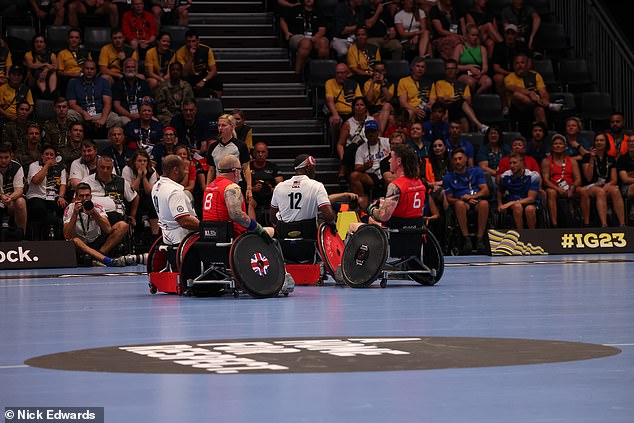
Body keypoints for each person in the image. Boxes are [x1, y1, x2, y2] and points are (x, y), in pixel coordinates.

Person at [202, 155, 273, 240]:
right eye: (240, 170)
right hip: (230, 233)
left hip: (209, 232)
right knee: (271, 231)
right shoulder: (231, 187)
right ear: (235, 171)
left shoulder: (209, 187)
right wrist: (257, 227)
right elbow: (236, 214)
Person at [361, 143, 427, 231]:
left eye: (391, 157)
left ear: (399, 161)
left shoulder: (395, 186)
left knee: (356, 225)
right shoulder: (419, 182)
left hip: (397, 234)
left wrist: (372, 209)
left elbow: (383, 216)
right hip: (417, 233)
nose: (389, 161)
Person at [63, 182, 129, 266]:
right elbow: (66, 235)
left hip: (97, 241)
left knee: (123, 225)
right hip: (80, 244)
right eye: (81, 196)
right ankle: (105, 260)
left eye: (87, 195)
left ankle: (97, 257)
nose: (84, 198)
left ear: (91, 197)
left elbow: (108, 229)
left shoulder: (97, 207)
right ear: (76, 197)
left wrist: (94, 213)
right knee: (75, 240)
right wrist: (75, 214)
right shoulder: (70, 208)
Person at [270, 154, 336, 233]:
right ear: (307, 168)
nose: (315, 170)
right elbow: (329, 216)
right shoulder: (316, 186)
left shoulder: (279, 187)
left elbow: (272, 218)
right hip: (308, 235)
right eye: (313, 167)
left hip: (284, 236)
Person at [443, 147, 490, 253]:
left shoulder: (476, 171)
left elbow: (485, 190)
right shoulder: (448, 177)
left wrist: (472, 197)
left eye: (460, 158)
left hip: (476, 199)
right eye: (455, 159)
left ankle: (480, 238)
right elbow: (449, 198)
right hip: (461, 202)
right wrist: (463, 199)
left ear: (466, 159)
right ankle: (466, 239)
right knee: (459, 204)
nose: (457, 161)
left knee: (484, 204)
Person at [151, 154, 199, 246]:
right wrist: (204, 226)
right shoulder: (174, 191)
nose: (185, 172)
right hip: (183, 240)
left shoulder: (156, 186)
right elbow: (184, 221)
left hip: (167, 236)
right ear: (176, 170)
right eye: (184, 168)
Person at [430, 58, 489, 134]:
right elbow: (441, 99)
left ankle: (466, 139)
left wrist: (451, 99)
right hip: (446, 109)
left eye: (452, 68)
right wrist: (458, 99)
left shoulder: (463, 85)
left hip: (459, 110)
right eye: (448, 68)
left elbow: (468, 101)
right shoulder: (439, 83)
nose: (450, 71)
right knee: (461, 104)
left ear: (457, 70)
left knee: (463, 115)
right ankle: (479, 126)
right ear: (445, 71)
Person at [504, 52, 561, 129]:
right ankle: (549, 106)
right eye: (517, 63)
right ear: (513, 66)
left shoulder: (535, 75)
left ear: (527, 65)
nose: (519, 66)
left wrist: (545, 99)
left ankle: (543, 134)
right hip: (518, 108)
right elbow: (513, 88)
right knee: (516, 95)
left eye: (522, 63)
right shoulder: (509, 77)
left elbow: (543, 92)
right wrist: (530, 93)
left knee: (539, 109)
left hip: (533, 105)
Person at [580, 132, 625, 227]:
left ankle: (622, 224)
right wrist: (592, 159)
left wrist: (606, 187)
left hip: (604, 186)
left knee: (616, 190)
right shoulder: (587, 157)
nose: (599, 142)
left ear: (606, 143)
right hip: (591, 186)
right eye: (597, 140)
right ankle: (604, 224)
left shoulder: (611, 159)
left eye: (601, 140)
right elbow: (588, 177)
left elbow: (614, 180)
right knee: (600, 192)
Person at [82, 155, 139, 226]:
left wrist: (133, 216)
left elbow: (135, 197)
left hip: (117, 217)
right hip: (94, 217)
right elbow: (77, 199)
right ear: (97, 167)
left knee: (122, 224)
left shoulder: (121, 182)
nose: (105, 170)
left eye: (108, 168)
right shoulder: (86, 181)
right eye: (102, 167)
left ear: (112, 169)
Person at [541, 134, 584, 228]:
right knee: (551, 192)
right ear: (552, 147)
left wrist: (572, 188)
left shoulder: (572, 161)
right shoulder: (546, 161)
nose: (558, 145)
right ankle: (554, 224)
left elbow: (578, 179)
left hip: (570, 187)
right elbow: (546, 180)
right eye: (555, 144)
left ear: (565, 147)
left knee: (583, 191)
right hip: (554, 188)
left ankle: (586, 222)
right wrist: (558, 189)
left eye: (560, 144)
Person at [26, 144, 68, 240]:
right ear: (42, 156)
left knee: (65, 207)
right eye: (46, 154)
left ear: (55, 157)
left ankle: (61, 238)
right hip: (36, 196)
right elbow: (36, 181)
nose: (49, 157)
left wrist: (61, 197)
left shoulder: (60, 168)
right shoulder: (34, 165)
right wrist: (47, 166)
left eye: (51, 155)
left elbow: (63, 184)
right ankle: (39, 237)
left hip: (54, 196)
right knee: (39, 207)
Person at [66, 60, 124, 129]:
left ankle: (113, 139)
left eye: (92, 69)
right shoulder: (73, 82)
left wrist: (103, 119)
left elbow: (107, 103)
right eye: (87, 68)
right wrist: (84, 113)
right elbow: (72, 104)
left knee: (117, 120)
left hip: (100, 113)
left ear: (96, 71)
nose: (89, 71)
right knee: (68, 114)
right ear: (82, 69)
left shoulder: (104, 82)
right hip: (82, 114)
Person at [205, 114, 252, 200]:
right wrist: (207, 188)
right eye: (219, 125)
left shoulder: (240, 145)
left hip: (236, 185)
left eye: (223, 125)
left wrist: (249, 188)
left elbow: (246, 168)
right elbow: (211, 170)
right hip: (218, 186)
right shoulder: (213, 147)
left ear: (232, 127)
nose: (220, 128)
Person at [280, 0, 329, 78]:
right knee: (306, 43)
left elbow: (322, 29)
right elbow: (282, 20)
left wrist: (316, 37)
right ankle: (297, 73)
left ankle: (322, 74)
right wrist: (286, 32)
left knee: (324, 42)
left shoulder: (318, 11)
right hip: (297, 36)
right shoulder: (295, 9)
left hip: (314, 36)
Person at [491, 23, 530, 114]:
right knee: (498, 78)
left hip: (520, 72)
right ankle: (505, 106)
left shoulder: (522, 46)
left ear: (516, 35)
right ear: (504, 35)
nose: (510, 36)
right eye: (508, 34)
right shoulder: (499, 47)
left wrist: (521, 71)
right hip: (506, 73)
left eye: (513, 34)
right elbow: (496, 68)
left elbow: (529, 63)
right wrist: (508, 73)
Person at [172, 29, 222, 98]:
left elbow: (213, 70)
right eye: (188, 41)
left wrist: (203, 80)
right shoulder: (180, 52)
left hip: (203, 76)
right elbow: (184, 73)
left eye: (193, 41)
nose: (191, 44)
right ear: (185, 42)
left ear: (198, 41)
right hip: (190, 77)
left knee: (217, 78)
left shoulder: (207, 50)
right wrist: (191, 56)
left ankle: (217, 101)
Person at [336, 97, 375, 185]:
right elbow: (340, 144)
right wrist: (343, 158)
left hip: (368, 149)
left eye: (362, 105)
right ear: (353, 108)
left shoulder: (372, 120)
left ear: (365, 107)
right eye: (357, 105)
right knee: (353, 146)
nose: (359, 107)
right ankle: (343, 171)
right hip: (352, 152)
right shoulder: (348, 123)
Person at [122, 149, 160, 239]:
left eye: (144, 161)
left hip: (146, 197)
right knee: (136, 199)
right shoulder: (127, 170)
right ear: (134, 162)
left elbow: (149, 191)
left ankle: (155, 235)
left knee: (152, 201)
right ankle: (136, 234)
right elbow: (131, 190)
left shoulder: (152, 171)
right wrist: (139, 176)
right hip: (131, 198)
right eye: (139, 161)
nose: (142, 163)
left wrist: (144, 177)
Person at [497, 152, 540, 229]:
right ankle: (521, 234)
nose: (512, 166)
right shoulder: (505, 176)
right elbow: (500, 191)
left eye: (514, 163)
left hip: (529, 202)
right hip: (513, 203)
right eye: (510, 163)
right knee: (517, 207)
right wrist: (500, 204)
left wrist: (511, 202)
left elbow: (531, 198)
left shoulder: (533, 176)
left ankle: (533, 234)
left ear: (522, 163)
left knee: (529, 209)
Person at [350, 120, 391, 195]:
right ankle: (362, 199)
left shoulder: (387, 142)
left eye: (373, 131)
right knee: (354, 176)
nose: (371, 134)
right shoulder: (361, 148)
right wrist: (365, 167)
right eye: (368, 132)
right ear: (365, 134)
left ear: (377, 132)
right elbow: (357, 167)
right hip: (371, 175)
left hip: (386, 171)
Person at [325, 63, 363, 143]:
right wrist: (335, 114)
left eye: (342, 73)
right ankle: (335, 146)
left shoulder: (354, 84)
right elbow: (329, 100)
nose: (339, 75)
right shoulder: (330, 83)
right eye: (337, 73)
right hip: (337, 113)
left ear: (347, 74)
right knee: (335, 121)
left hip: (352, 113)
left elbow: (359, 100)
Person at [452, 24, 492, 95]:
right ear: (467, 35)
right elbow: (453, 66)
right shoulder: (460, 47)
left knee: (488, 82)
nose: (475, 37)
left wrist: (480, 73)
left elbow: (485, 67)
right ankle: (471, 100)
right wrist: (469, 67)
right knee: (470, 82)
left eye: (477, 35)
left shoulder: (482, 48)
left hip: (478, 73)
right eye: (473, 35)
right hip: (463, 73)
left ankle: (476, 96)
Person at [248, 142, 283, 221]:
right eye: (258, 152)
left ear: (266, 153)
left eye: (263, 152)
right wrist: (252, 189)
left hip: (270, 198)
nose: (260, 154)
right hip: (253, 198)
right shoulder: (248, 167)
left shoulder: (273, 167)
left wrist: (272, 189)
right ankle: (252, 229)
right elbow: (241, 185)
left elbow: (281, 185)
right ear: (254, 153)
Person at [112, 59, 153, 125]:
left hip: (142, 114)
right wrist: (130, 115)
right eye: (128, 67)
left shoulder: (143, 83)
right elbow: (117, 106)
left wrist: (142, 113)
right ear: (123, 69)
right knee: (127, 123)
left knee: (155, 121)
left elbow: (149, 101)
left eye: (133, 67)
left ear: (136, 69)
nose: (130, 69)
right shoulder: (117, 85)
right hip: (124, 115)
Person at [0, 143, 27, 236]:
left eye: (6, 157)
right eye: (0, 157)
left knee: (21, 202)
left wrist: (9, 198)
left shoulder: (17, 167)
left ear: (11, 157)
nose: (3, 160)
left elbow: (19, 190)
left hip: (12, 199)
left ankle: (21, 235)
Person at [397, 56, 435, 123]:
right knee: (410, 112)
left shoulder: (430, 82)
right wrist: (416, 110)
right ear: (412, 67)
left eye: (422, 67)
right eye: (418, 66)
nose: (420, 69)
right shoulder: (403, 81)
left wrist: (423, 107)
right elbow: (403, 103)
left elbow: (432, 101)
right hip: (410, 109)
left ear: (425, 69)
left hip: (425, 109)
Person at [363, 61, 394, 135]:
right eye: (377, 71)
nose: (379, 73)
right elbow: (369, 100)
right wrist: (373, 83)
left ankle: (379, 135)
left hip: (386, 108)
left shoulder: (389, 84)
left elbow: (388, 99)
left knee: (387, 105)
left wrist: (382, 83)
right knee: (389, 118)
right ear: (373, 71)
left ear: (385, 71)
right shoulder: (368, 83)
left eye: (382, 71)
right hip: (373, 109)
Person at [23, 35, 58, 99]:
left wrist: (46, 70)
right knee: (38, 71)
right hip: (32, 79)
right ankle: (44, 92)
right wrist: (45, 64)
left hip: (48, 78)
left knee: (53, 71)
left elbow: (55, 67)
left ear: (45, 44)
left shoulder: (52, 54)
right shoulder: (28, 54)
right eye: (36, 42)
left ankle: (53, 93)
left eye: (41, 42)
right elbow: (31, 65)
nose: (39, 44)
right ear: (33, 44)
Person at [616, 135, 634, 222]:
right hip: (626, 187)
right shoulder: (622, 159)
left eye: (633, 141)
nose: (632, 143)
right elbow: (625, 179)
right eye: (630, 141)